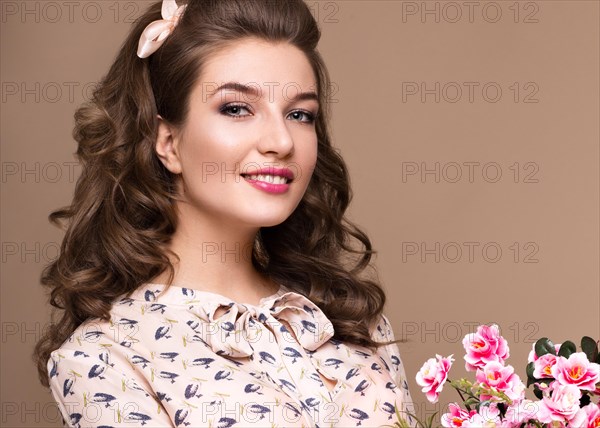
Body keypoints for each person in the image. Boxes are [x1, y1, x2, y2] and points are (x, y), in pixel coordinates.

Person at [33, 0, 415, 426]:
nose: (281, 140)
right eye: (236, 108)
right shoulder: (104, 358)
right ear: (167, 142)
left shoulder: (350, 320)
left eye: (299, 114)